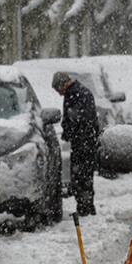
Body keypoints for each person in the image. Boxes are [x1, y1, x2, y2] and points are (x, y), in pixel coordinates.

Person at [53, 71, 100, 216]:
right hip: (84, 141)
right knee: (82, 175)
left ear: (63, 84)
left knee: (82, 175)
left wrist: (69, 130)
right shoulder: (75, 93)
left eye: (58, 90)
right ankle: (85, 206)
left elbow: (79, 118)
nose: (59, 94)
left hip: (84, 142)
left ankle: (85, 207)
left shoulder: (78, 94)